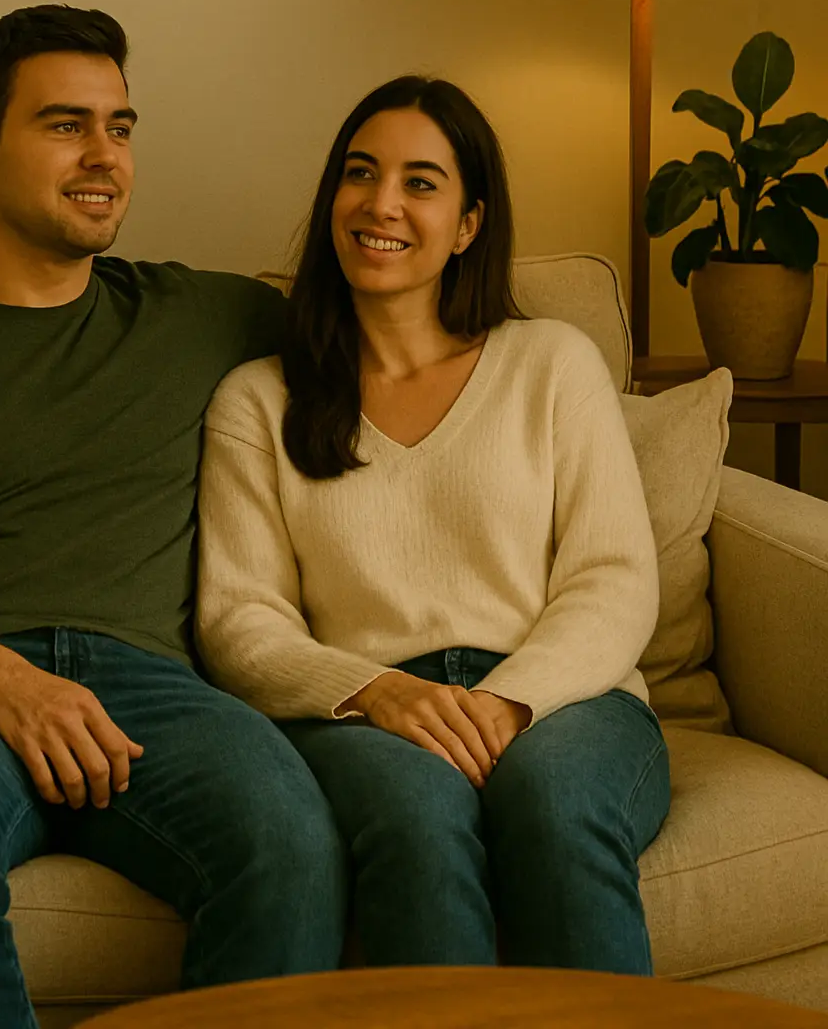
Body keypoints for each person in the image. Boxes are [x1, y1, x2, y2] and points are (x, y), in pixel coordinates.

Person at [0, 5, 348, 1029]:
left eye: (121, 126)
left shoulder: (205, 317)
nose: (105, 156)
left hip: (149, 689)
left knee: (291, 844)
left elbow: (404, 328)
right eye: (66, 126)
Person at [196, 74, 671, 975]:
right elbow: (239, 621)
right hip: (365, 715)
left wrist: (506, 702)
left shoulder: (553, 365)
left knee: (556, 809)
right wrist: (378, 692)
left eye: (421, 182)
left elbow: (613, 577)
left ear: (468, 225)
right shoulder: (258, 400)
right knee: (416, 822)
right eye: (360, 173)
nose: (382, 204)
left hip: (566, 700)